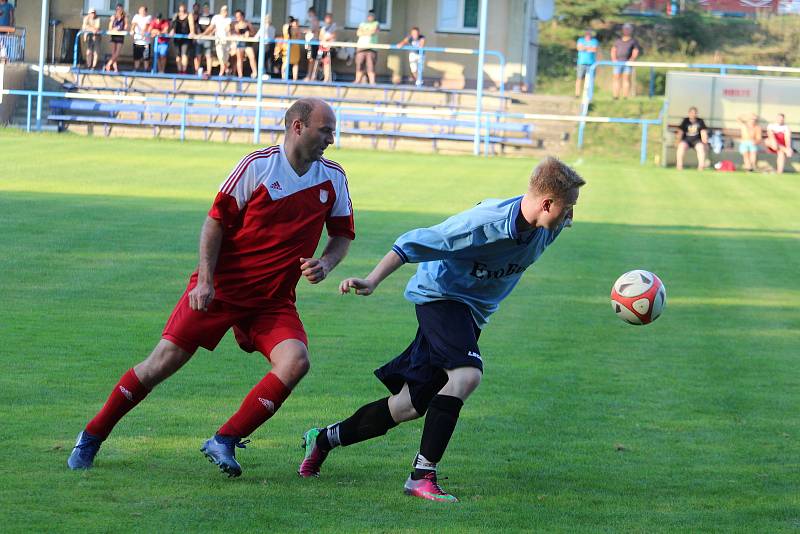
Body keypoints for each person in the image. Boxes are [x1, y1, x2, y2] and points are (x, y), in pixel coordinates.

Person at [67, 98, 355, 478]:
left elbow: (342, 234)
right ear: (298, 127)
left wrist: (327, 262)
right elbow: (214, 223)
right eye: (326, 130)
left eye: (333, 131)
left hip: (272, 302)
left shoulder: (332, 177)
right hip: (221, 290)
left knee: (296, 361)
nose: (331, 139)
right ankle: (91, 435)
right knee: (159, 365)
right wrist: (205, 281)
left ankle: (225, 439)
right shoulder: (258, 166)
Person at [298, 157, 585, 503]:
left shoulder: (548, 227)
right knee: (466, 376)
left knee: (407, 406)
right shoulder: (482, 225)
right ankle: (421, 476)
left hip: (470, 314)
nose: (570, 218)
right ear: (547, 203)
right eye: (567, 209)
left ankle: (323, 439)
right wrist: (372, 280)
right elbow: (414, 242)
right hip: (441, 297)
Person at [610, 23, 641, 99]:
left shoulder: (633, 41)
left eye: (628, 29)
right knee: (616, 78)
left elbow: (635, 50)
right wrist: (614, 59)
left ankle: (625, 96)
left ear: (631, 30)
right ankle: (615, 96)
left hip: (627, 63)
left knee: (626, 79)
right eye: (625, 29)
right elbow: (613, 50)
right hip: (618, 63)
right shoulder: (618, 41)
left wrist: (632, 59)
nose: (626, 31)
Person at [675, 106, 709, 171]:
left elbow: (703, 132)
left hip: (697, 140)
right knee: (681, 146)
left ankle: (701, 167)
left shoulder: (700, 121)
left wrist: (705, 143)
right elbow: (680, 132)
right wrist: (677, 141)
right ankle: (679, 166)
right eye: (692, 113)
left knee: (701, 147)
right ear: (689, 113)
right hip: (686, 140)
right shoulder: (685, 120)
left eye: (695, 113)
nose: (693, 114)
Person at [203, 5, 232, 76]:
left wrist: (231, 37)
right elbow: (211, 27)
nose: (225, 12)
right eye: (224, 11)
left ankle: (222, 73)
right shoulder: (216, 17)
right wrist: (204, 34)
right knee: (220, 57)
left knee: (225, 59)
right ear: (221, 11)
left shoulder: (229, 19)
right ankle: (226, 70)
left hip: (227, 41)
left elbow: (228, 29)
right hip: (219, 41)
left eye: (226, 11)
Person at [355, 10, 379, 85]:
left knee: (370, 66)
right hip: (361, 47)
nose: (370, 17)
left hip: (371, 48)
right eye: (369, 16)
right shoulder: (362, 24)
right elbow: (358, 33)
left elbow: (373, 32)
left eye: (371, 16)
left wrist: (364, 32)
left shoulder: (376, 23)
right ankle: (357, 80)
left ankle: (372, 82)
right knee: (359, 64)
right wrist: (367, 32)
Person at [170, 3, 195, 74]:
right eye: (181, 8)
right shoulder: (176, 15)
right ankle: (179, 70)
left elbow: (191, 25)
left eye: (183, 8)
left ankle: (184, 71)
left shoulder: (189, 15)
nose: (182, 10)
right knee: (178, 55)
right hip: (177, 38)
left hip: (186, 38)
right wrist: (172, 31)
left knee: (184, 54)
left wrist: (192, 32)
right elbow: (173, 25)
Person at [232, 9, 256, 78]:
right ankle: (240, 74)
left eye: (238, 16)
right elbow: (235, 34)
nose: (237, 18)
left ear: (242, 16)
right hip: (240, 43)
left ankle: (254, 73)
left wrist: (249, 34)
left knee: (252, 57)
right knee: (239, 58)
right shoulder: (236, 25)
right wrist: (240, 35)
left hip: (248, 43)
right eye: (236, 16)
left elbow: (253, 33)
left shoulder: (247, 23)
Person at [104, 4, 128, 72]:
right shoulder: (113, 17)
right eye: (117, 9)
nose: (119, 11)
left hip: (120, 36)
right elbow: (109, 28)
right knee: (114, 54)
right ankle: (115, 68)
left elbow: (126, 27)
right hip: (114, 36)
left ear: (122, 10)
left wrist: (121, 29)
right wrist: (112, 23)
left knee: (117, 53)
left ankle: (108, 64)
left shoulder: (124, 18)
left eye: (120, 9)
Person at [575, 29, 598, 98]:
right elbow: (579, 48)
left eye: (589, 33)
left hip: (591, 63)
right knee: (579, 78)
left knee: (590, 79)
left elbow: (594, 49)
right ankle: (577, 94)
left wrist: (584, 48)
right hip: (581, 63)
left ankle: (588, 95)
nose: (588, 34)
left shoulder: (594, 41)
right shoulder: (581, 40)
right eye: (587, 33)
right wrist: (589, 48)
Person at [277, 16, 301, 81]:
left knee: (289, 63)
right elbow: (299, 37)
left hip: (291, 47)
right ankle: (292, 79)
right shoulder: (293, 28)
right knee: (290, 63)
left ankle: (284, 78)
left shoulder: (286, 27)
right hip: (290, 46)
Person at [193, 3, 214, 77]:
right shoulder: (199, 16)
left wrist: (211, 33)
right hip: (199, 38)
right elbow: (195, 26)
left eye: (207, 8)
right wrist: (196, 35)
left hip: (207, 38)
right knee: (197, 55)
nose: (206, 9)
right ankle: (197, 71)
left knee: (208, 55)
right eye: (204, 8)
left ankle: (209, 71)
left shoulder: (212, 17)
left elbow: (213, 27)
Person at [130, 5, 152, 72]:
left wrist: (143, 31)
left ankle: (146, 70)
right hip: (137, 41)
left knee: (146, 58)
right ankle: (136, 70)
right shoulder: (136, 16)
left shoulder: (148, 17)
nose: (140, 12)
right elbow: (134, 24)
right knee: (136, 57)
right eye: (140, 10)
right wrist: (132, 30)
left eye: (142, 10)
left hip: (146, 42)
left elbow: (147, 25)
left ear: (145, 11)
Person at [318, 13, 336, 83]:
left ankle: (327, 78)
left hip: (329, 48)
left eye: (329, 18)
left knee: (327, 63)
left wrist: (326, 38)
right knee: (321, 62)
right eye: (326, 18)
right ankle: (323, 76)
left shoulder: (333, 27)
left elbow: (333, 35)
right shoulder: (323, 28)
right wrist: (324, 39)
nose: (327, 19)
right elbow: (320, 37)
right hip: (322, 47)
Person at [303, 7, 320, 81]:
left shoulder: (314, 19)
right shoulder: (313, 20)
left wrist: (304, 31)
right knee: (312, 59)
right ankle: (312, 75)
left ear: (311, 12)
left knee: (311, 59)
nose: (308, 14)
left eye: (309, 13)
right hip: (312, 42)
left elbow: (313, 29)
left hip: (313, 42)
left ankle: (310, 76)